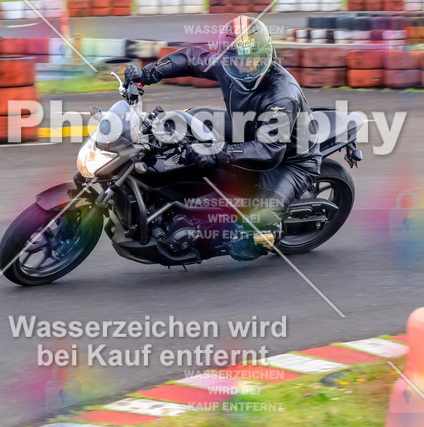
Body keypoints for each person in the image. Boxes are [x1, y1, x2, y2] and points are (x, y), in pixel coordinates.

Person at [124, 15, 320, 260]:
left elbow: (269, 151)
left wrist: (219, 153)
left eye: (254, 59)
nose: (246, 66)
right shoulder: (228, 63)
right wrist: (146, 74)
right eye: (237, 61)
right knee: (187, 120)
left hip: (289, 161)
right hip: (244, 127)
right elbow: (189, 58)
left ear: (267, 54)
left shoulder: (282, 95)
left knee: (250, 235)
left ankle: (260, 234)